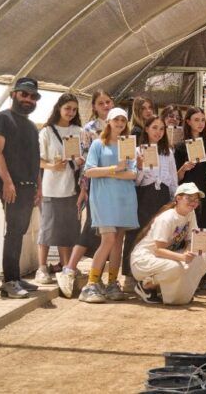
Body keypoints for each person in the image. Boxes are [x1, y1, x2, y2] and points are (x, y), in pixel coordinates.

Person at [56, 89, 114, 298]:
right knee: (91, 227)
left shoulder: (118, 126)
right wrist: (84, 188)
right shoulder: (88, 129)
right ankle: (69, 269)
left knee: (105, 233)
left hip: (114, 187)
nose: (105, 106)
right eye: (101, 103)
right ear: (94, 107)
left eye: (108, 102)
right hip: (95, 185)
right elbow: (86, 162)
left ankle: (95, 278)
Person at [0, 77, 42, 298]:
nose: (28, 99)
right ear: (14, 94)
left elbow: (35, 159)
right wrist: (8, 182)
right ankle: (9, 282)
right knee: (13, 231)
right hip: (12, 186)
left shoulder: (31, 126)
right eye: (24, 94)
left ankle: (15, 278)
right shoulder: (2, 118)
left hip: (29, 186)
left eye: (32, 96)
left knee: (19, 231)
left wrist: (39, 187)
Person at [79, 107, 138, 303]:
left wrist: (112, 172)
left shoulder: (128, 144)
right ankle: (91, 284)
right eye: (116, 119)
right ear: (109, 122)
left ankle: (112, 283)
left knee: (118, 242)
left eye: (123, 120)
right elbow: (89, 171)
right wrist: (115, 169)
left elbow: (133, 174)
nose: (120, 123)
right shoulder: (98, 144)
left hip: (124, 199)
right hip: (103, 199)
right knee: (108, 240)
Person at [130, 183, 206, 305]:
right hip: (144, 260)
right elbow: (158, 250)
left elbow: (191, 239)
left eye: (196, 200)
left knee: (202, 257)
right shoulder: (167, 218)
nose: (193, 203)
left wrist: (188, 252)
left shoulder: (190, 213)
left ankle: (178, 293)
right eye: (189, 198)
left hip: (163, 257)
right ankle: (146, 286)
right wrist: (182, 257)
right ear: (178, 198)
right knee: (175, 267)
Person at [122, 116, 178, 292]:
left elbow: (172, 178)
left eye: (161, 129)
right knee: (137, 233)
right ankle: (129, 276)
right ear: (146, 129)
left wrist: (174, 198)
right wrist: (139, 166)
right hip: (144, 195)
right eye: (154, 128)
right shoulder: (138, 150)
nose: (158, 132)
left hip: (163, 197)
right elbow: (136, 181)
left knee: (158, 235)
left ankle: (152, 276)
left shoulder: (168, 152)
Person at [36, 93, 84, 285]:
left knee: (68, 229)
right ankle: (41, 268)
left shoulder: (79, 131)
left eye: (74, 109)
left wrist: (81, 160)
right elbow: (37, 159)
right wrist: (52, 166)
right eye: (67, 108)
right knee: (47, 228)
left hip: (72, 188)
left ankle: (66, 267)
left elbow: (85, 155)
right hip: (51, 187)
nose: (71, 112)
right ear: (59, 108)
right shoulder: (47, 132)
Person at [174, 106, 206, 283]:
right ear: (188, 122)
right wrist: (184, 168)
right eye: (196, 120)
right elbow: (175, 177)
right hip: (188, 196)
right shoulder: (180, 147)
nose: (200, 123)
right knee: (189, 234)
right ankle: (189, 275)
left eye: (202, 120)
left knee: (205, 232)